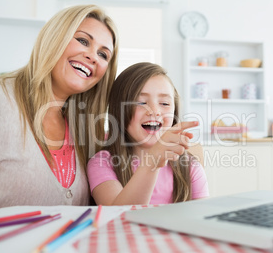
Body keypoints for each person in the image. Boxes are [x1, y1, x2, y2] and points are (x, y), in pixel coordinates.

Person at [0, 5, 119, 210]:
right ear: (55, 37)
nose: (93, 57)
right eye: (83, 41)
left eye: (104, 55)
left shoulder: (88, 133)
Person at [87, 62, 209, 205]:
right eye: (141, 102)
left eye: (164, 103)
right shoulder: (102, 163)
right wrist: (152, 161)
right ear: (118, 111)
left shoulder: (190, 166)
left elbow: (202, 218)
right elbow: (118, 216)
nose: (154, 111)